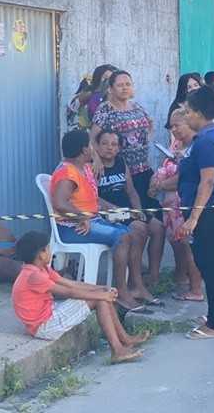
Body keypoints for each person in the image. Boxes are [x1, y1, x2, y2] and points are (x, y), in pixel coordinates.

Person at [50, 128, 157, 313]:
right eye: (91, 145)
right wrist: (82, 216)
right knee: (122, 236)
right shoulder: (67, 172)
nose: (93, 148)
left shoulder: (83, 168)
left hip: (91, 220)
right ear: (85, 150)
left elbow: (91, 200)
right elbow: (60, 203)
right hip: (71, 228)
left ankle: (135, 286)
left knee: (130, 232)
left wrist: (108, 213)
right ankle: (122, 292)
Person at [10, 231, 148, 363]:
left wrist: (101, 288)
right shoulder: (34, 276)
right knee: (99, 299)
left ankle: (124, 339)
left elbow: (71, 284)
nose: (50, 252)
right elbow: (70, 292)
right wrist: (102, 295)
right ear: (40, 254)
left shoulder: (40, 269)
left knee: (99, 296)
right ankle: (118, 349)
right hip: (45, 326)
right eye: (48, 248)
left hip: (48, 314)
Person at [179, 86, 214, 339]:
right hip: (207, 210)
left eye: (188, 112)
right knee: (208, 264)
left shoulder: (209, 140)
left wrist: (194, 217)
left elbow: (208, 182)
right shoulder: (206, 136)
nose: (185, 117)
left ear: (199, 113)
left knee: (209, 266)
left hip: (210, 213)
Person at [90, 70, 162, 229]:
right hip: (123, 173)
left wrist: (146, 137)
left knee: (154, 218)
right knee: (135, 222)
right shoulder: (105, 110)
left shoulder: (137, 107)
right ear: (110, 89)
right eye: (120, 85)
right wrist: (96, 159)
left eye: (128, 84)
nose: (125, 88)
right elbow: (92, 139)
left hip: (144, 169)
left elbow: (150, 122)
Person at [94, 129, 166, 288]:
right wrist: (115, 208)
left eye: (114, 144)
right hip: (108, 214)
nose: (109, 148)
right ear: (97, 146)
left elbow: (131, 191)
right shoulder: (93, 168)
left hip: (128, 211)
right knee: (139, 228)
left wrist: (138, 209)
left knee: (159, 228)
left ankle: (153, 276)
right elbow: (93, 196)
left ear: (119, 148)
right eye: (105, 144)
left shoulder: (120, 163)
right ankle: (134, 276)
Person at [147, 108, 204, 302]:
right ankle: (181, 276)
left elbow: (185, 177)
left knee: (188, 244)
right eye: (171, 126)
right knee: (176, 241)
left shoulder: (195, 148)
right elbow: (164, 166)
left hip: (183, 202)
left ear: (189, 124)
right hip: (169, 202)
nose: (173, 129)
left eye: (177, 125)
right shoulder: (175, 144)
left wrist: (161, 185)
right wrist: (154, 182)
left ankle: (196, 288)